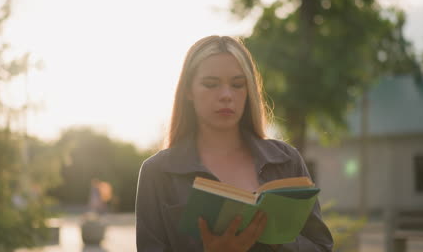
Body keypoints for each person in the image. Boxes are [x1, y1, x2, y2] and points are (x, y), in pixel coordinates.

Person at [135, 35, 333, 251]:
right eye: (211, 84)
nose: (226, 95)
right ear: (188, 91)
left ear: (249, 91)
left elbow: (322, 246)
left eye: (238, 84)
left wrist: (270, 238)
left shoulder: (286, 160)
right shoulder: (158, 172)